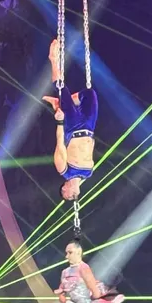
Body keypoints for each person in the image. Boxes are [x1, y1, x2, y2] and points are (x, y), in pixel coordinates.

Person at [43, 39, 97, 201]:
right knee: (90, 94)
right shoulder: (88, 173)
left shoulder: (64, 170)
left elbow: (60, 143)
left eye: (66, 194)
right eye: (71, 196)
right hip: (89, 128)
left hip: (72, 128)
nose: (70, 194)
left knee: (61, 88)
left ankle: (53, 59)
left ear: (64, 188)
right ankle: (61, 102)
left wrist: (60, 121)